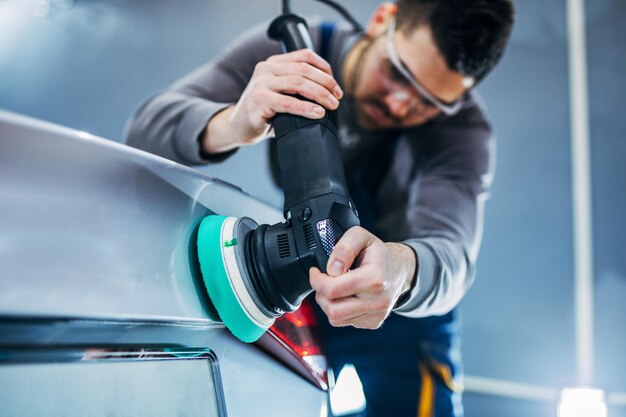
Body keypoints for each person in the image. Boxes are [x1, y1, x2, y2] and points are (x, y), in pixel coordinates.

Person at [125, 1, 515, 415]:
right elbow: (144, 132)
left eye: (430, 101)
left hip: (401, 309)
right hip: (311, 282)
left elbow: (453, 256)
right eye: (398, 73)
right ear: (383, 20)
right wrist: (234, 122)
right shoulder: (292, 56)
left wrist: (400, 270)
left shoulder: (462, 132)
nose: (402, 105)